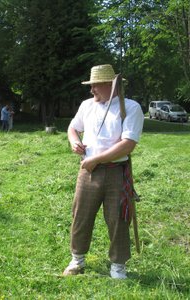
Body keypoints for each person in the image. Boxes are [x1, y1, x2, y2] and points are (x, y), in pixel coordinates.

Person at [63, 64, 144, 279]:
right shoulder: (87, 105)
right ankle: (77, 259)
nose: (92, 90)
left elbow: (128, 144)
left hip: (116, 171)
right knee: (81, 216)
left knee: (118, 219)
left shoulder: (130, 107)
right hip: (88, 172)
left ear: (111, 85)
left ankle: (118, 266)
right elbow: (72, 128)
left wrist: (96, 159)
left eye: (96, 86)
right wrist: (75, 142)